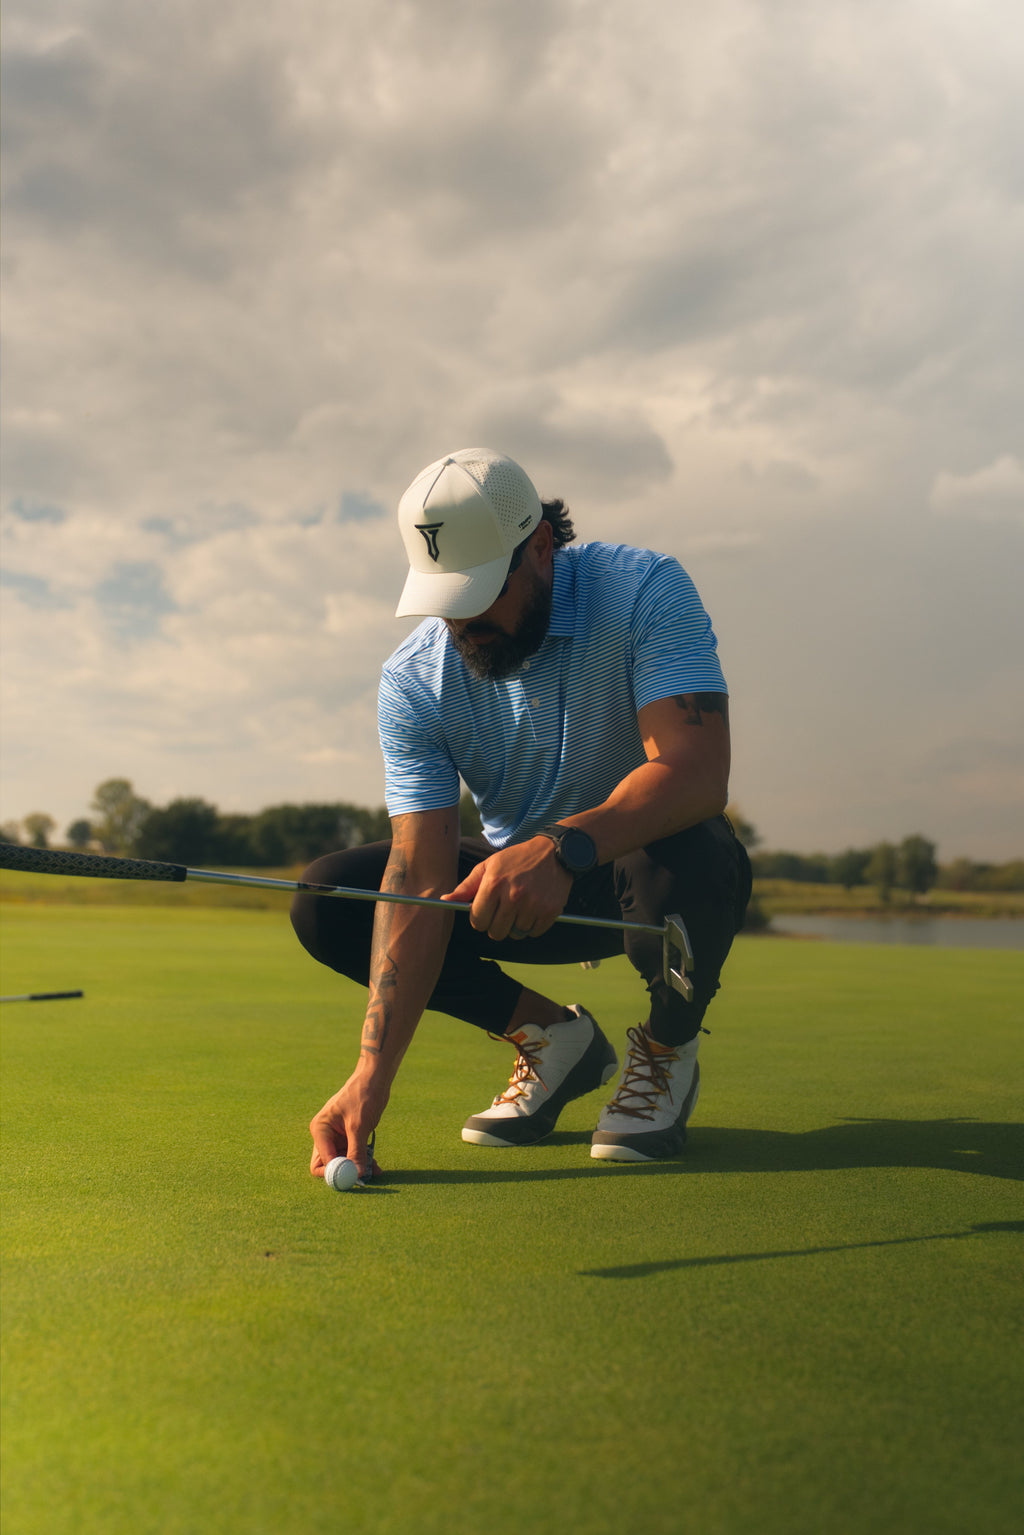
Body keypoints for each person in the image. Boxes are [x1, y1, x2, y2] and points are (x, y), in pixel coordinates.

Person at [292, 448, 751, 1180]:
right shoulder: (414, 680)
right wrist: (369, 1078)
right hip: (511, 902)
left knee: (690, 850)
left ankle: (666, 1051)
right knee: (335, 899)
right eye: (445, 597)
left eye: (478, 591)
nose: (462, 620)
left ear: (540, 547)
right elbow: (418, 875)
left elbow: (698, 772)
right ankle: (549, 1034)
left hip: (633, 872)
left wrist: (562, 848)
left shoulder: (645, 591)